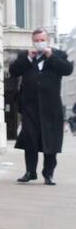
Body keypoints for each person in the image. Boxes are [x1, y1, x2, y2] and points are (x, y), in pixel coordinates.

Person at [9, 30, 73, 184]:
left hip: (51, 108)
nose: (39, 42)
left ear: (48, 40)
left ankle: (48, 174)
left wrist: (52, 56)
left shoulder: (59, 55)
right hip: (30, 107)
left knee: (50, 141)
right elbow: (13, 71)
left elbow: (67, 70)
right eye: (36, 40)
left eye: (42, 39)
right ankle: (30, 172)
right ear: (32, 41)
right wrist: (28, 58)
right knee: (30, 140)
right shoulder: (25, 56)